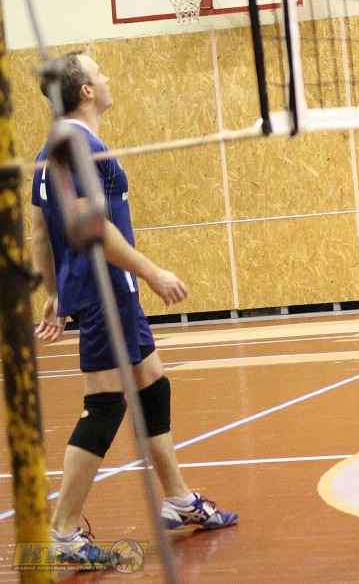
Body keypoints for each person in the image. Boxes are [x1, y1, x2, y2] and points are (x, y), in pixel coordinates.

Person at [31, 52, 237, 568]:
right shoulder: (79, 146)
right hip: (106, 287)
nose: (107, 78)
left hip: (103, 288)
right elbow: (92, 227)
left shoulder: (53, 149)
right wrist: (152, 272)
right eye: (99, 73)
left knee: (152, 385)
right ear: (85, 91)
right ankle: (61, 532)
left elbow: (40, 229)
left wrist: (54, 292)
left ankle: (178, 499)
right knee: (104, 406)